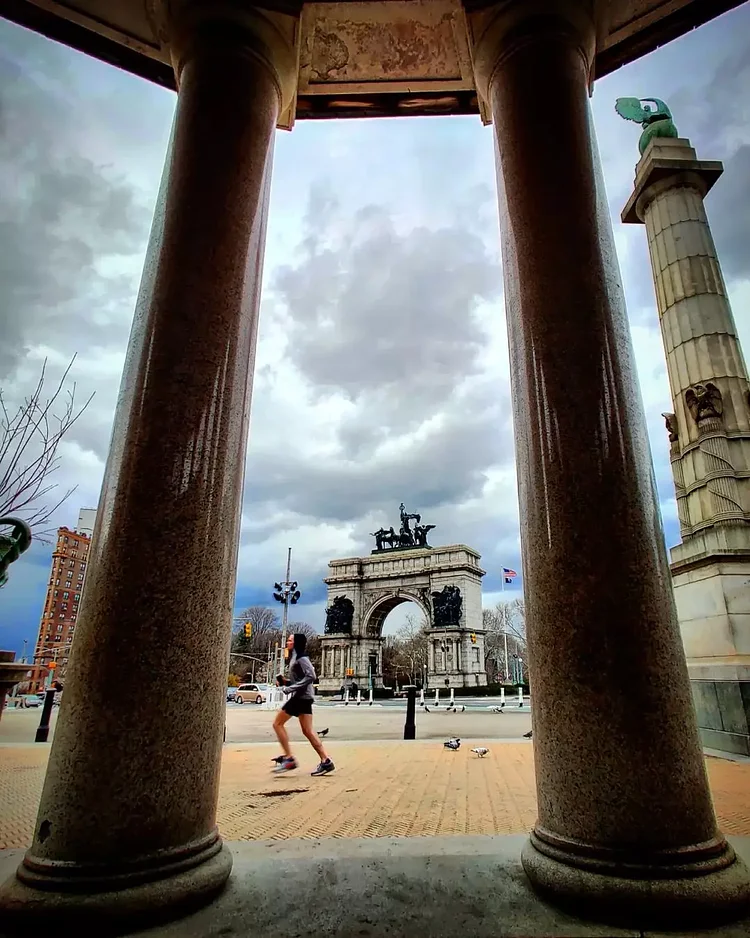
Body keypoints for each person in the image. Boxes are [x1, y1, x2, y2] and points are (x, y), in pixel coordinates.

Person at [272, 633, 334, 776]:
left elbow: (311, 675)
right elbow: (300, 680)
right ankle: (326, 761)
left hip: (300, 697)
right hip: (303, 697)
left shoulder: (302, 657)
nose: (287, 642)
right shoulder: (295, 657)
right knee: (308, 731)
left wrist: (290, 688)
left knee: (277, 724)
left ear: (296, 643)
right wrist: (285, 682)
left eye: (290, 640)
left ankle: (289, 759)